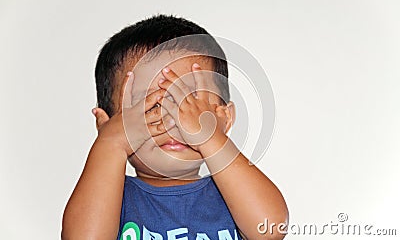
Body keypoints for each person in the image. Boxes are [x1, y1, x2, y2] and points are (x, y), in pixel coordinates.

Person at [62, 14, 288, 240]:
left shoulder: (235, 196)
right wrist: (111, 145)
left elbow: (271, 231)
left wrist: (210, 139)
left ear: (225, 119)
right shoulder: (110, 199)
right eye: (149, 106)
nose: (172, 120)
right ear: (106, 125)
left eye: (190, 103)